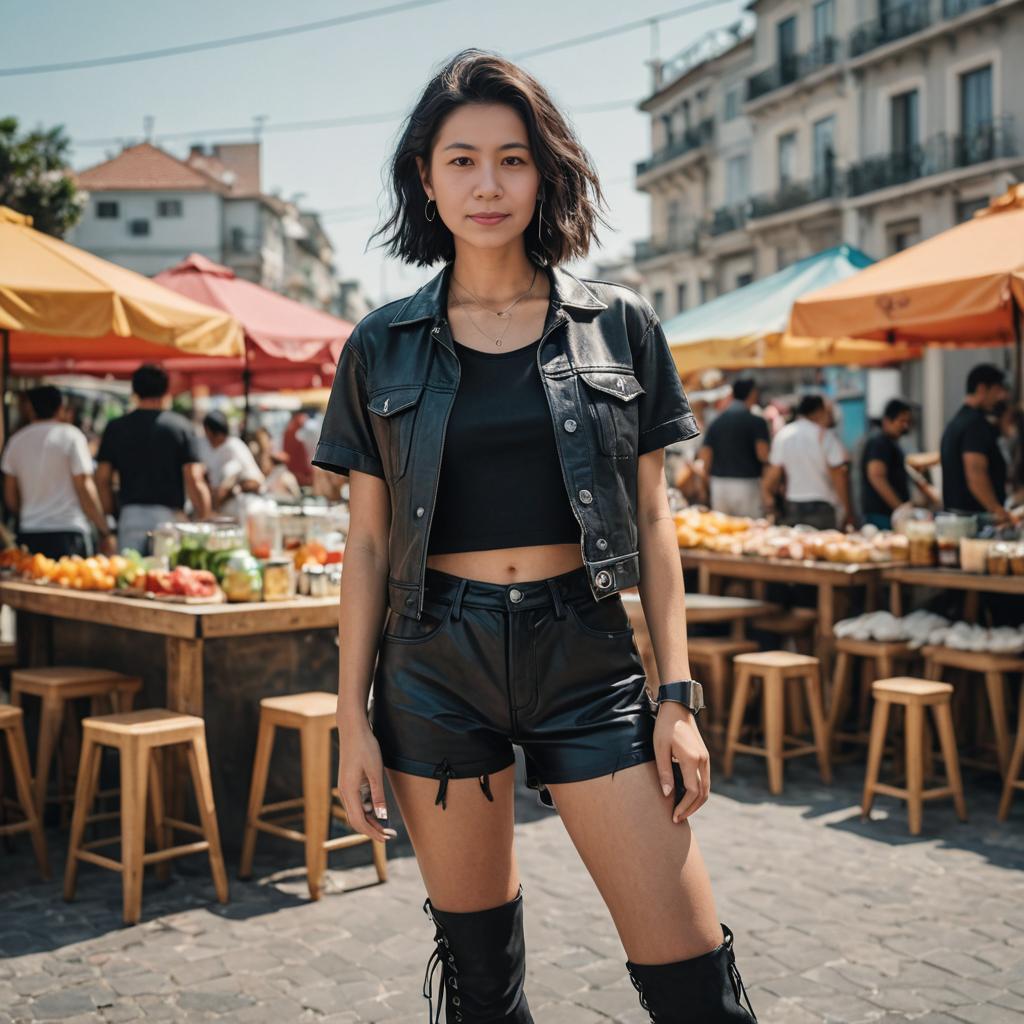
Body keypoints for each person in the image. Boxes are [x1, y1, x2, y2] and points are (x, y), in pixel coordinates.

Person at [311, 50, 757, 1024]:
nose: (487, 184)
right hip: (434, 663)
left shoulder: (620, 326)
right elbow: (369, 545)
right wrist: (352, 716)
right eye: (461, 159)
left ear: (543, 172)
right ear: (424, 178)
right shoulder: (379, 345)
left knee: (697, 989)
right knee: (482, 992)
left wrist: (675, 696)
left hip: (585, 657)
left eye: (511, 159)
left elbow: (651, 522)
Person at [96, 364, 212, 554]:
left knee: (131, 577)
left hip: (129, 515)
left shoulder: (116, 427)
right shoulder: (181, 427)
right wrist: (203, 518)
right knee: (164, 579)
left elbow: (102, 479)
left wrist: (110, 517)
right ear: (167, 390)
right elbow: (194, 477)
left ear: (134, 391)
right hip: (168, 517)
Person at [1, 385, 114, 558]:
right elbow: (84, 485)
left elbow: (10, 494)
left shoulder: (16, 441)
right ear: (60, 408)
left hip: (30, 530)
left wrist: (26, 513)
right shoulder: (71, 436)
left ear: (30, 409)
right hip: (69, 530)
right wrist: (103, 529)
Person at [940, 363, 1014, 524]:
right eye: (997, 391)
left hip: (956, 518)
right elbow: (975, 472)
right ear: (982, 389)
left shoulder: (956, 422)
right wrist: (996, 510)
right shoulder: (975, 424)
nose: (1000, 397)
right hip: (974, 521)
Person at [765, 394, 851, 530]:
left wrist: (767, 496)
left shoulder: (784, 435)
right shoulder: (826, 437)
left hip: (793, 505)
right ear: (819, 411)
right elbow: (838, 476)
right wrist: (847, 511)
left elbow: (773, 473)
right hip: (823, 507)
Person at [698, 376, 771, 518]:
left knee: (723, 533)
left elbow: (705, 455)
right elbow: (762, 454)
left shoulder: (716, 421)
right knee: (750, 532)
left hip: (719, 485)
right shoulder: (756, 421)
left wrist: (705, 484)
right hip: (746, 484)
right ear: (753, 394)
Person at [198, 411, 266, 520]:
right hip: (231, 512)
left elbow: (254, 482)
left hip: (247, 509)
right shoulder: (210, 448)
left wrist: (224, 496)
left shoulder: (233, 447)